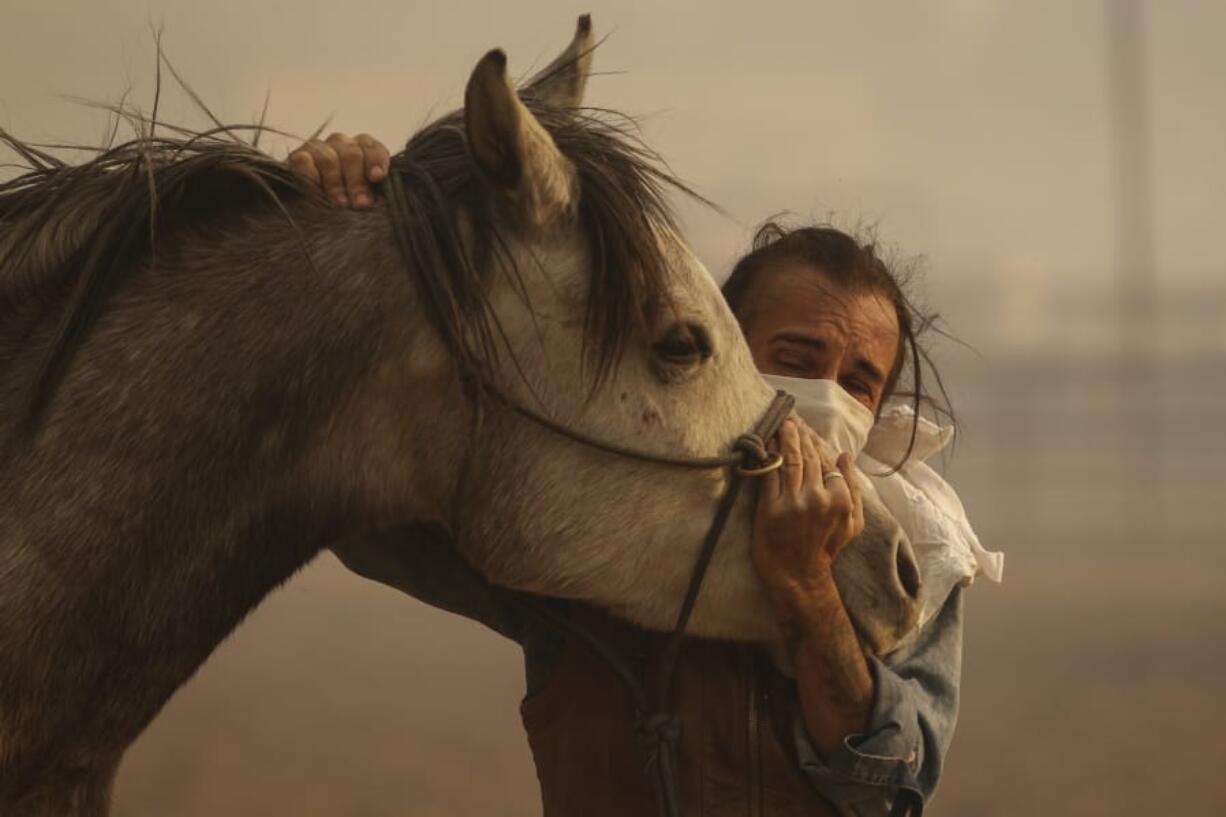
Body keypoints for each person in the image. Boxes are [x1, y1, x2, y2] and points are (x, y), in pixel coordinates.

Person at [290, 133, 967, 817]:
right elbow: (359, 513)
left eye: (858, 383)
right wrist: (329, 230)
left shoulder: (913, 555)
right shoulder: (610, 520)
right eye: (794, 359)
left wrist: (808, 583)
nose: (824, 399)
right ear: (728, 358)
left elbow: (887, 784)